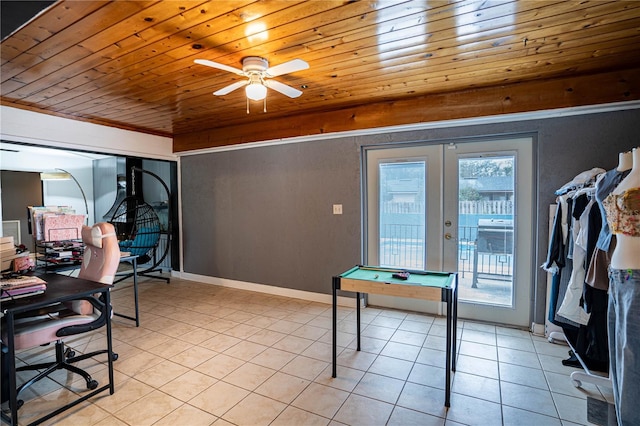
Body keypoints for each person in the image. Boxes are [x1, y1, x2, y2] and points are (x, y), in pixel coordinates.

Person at [604, 147, 640, 426]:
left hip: (635, 277)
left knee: (632, 359)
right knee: (620, 355)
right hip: (617, 274)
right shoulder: (615, 179)